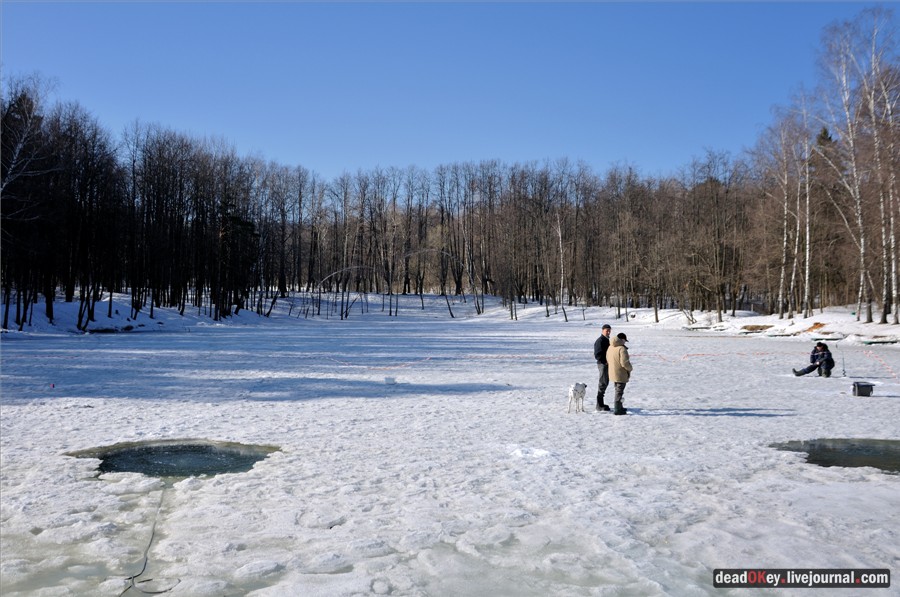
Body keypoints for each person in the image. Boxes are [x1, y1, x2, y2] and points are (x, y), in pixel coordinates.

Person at [607, 332, 633, 415]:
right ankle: (617, 409)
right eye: (625, 340)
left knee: (617, 390)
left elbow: (607, 358)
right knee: (619, 391)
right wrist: (630, 368)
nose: (625, 342)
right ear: (622, 339)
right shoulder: (622, 348)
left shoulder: (610, 347)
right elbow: (624, 362)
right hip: (620, 373)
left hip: (612, 372)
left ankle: (619, 406)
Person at [593, 324, 612, 411]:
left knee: (605, 382)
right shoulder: (600, 341)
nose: (608, 332)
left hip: (607, 365)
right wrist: (605, 362)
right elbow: (597, 355)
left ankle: (601, 404)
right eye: (606, 330)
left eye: (609, 330)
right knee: (602, 383)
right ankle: (599, 405)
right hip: (602, 364)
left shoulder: (607, 340)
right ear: (602, 330)